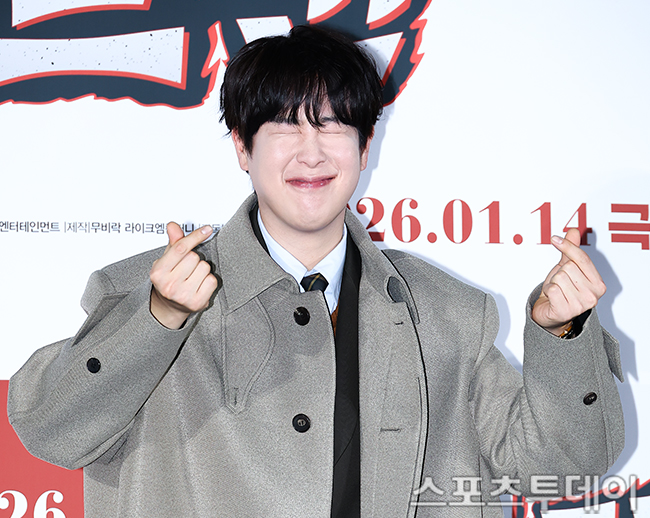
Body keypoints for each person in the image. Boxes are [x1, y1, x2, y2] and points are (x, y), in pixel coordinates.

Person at [8, 25, 624, 518]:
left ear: (364, 144)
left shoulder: (443, 312)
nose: (311, 151)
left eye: (332, 123)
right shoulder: (144, 290)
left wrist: (562, 336)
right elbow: (50, 433)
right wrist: (157, 319)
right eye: (284, 125)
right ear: (242, 147)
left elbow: (561, 469)